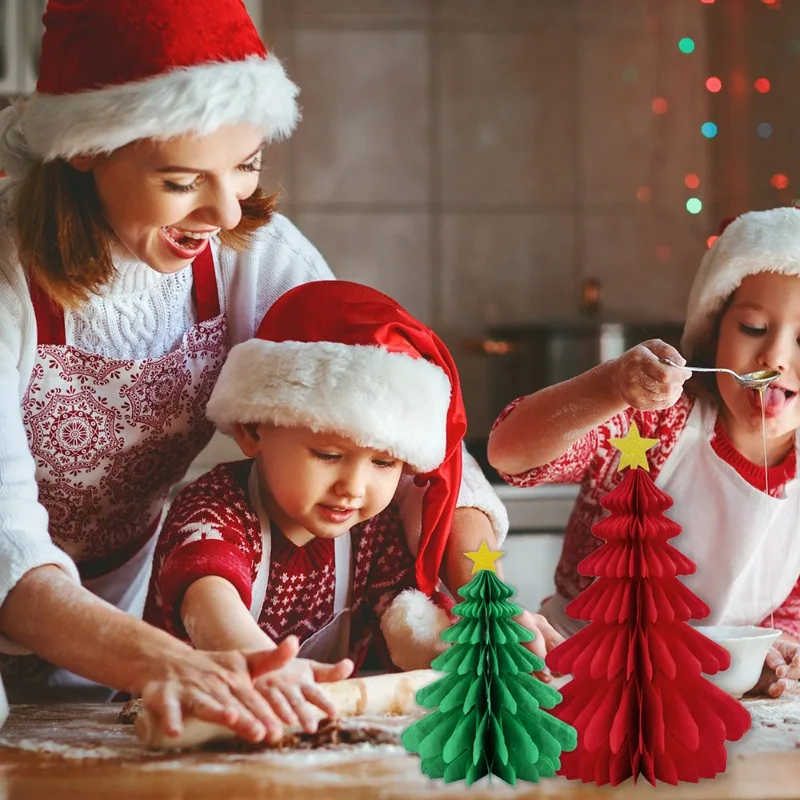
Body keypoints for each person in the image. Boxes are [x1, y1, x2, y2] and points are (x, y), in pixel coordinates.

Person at [0, 0, 514, 742]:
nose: (223, 210)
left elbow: (388, 414)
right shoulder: (9, 274)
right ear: (86, 147)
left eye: (246, 166)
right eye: (181, 181)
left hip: (119, 628)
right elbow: (7, 546)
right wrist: (170, 663)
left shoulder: (251, 250)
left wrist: (486, 597)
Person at [488, 207, 800, 698]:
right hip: (580, 683)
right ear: (713, 330)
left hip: (707, 697)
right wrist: (610, 386)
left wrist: (770, 649)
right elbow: (510, 453)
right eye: (754, 328)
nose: (776, 358)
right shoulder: (656, 422)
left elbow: (787, 610)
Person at [146, 280, 469, 731]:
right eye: (328, 455)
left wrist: (469, 655)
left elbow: (405, 623)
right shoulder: (214, 510)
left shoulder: (370, 534)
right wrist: (264, 665)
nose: (353, 488)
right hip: (189, 727)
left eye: (383, 462)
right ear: (253, 431)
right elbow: (209, 604)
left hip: (306, 737)